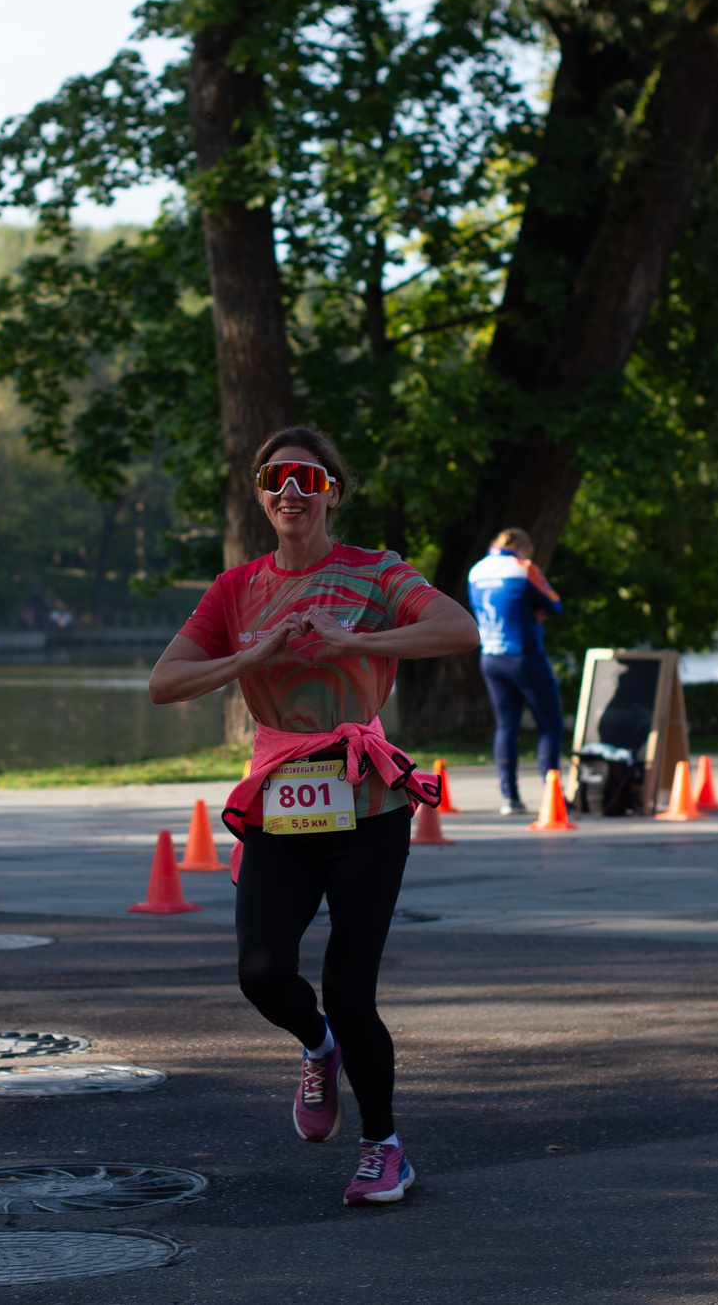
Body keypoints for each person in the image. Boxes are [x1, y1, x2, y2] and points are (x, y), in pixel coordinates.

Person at [149, 426, 481, 1206]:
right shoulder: (236, 590)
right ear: (260, 494)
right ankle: (315, 1047)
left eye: (307, 477)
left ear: (333, 490)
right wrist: (249, 659)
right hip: (280, 803)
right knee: (261, 972)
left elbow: (460, 630)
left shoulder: (374, 573)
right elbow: (166, 682)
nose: (290, 491)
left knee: (351, 989)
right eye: (275, 478)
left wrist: (352, 637)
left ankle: (383, 1146)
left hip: (368, 807)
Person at [466, 527, 565, 815]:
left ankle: (509, 798)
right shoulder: (523, 567)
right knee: (550, 725)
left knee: (506, 727)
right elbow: (555, 604)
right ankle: (552, 796)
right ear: (523, 548)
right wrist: (537, 610)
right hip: (525, 656)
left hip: (491, 657)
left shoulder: (476, 570)